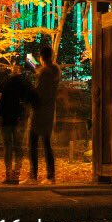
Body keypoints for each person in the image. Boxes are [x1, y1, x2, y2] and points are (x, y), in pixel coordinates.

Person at [0, 64, 36, 184]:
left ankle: (9, 175)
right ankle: (15, 175)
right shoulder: (25, 83)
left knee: (7, 146)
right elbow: (32, 97)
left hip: (6, 116)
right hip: (19, 117)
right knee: (18, 147)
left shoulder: (6, 81)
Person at [29, 43, 62, 184]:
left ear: (42, 58)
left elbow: (39, 93)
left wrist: (29, 94)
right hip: (49, 112)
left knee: (33, 143)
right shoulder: (54, 71)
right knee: (46, 143)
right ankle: (50, 175)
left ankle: (34, 176)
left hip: (39, 112)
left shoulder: (45, 73)